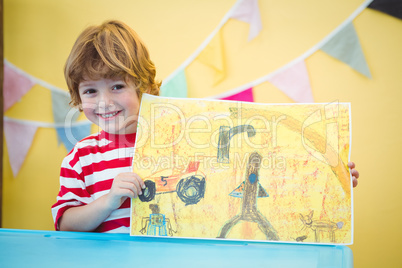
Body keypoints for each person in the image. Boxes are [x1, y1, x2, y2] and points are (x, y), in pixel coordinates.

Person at [52, 20, 360, 233]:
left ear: (143, 86)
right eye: (90, 91)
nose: (104, 102)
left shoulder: (184, 141)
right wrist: (107, 201)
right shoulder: (81, 157)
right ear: (77, 97)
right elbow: (64, 222)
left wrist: (326, 176)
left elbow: (249, 174)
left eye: (117, 86)